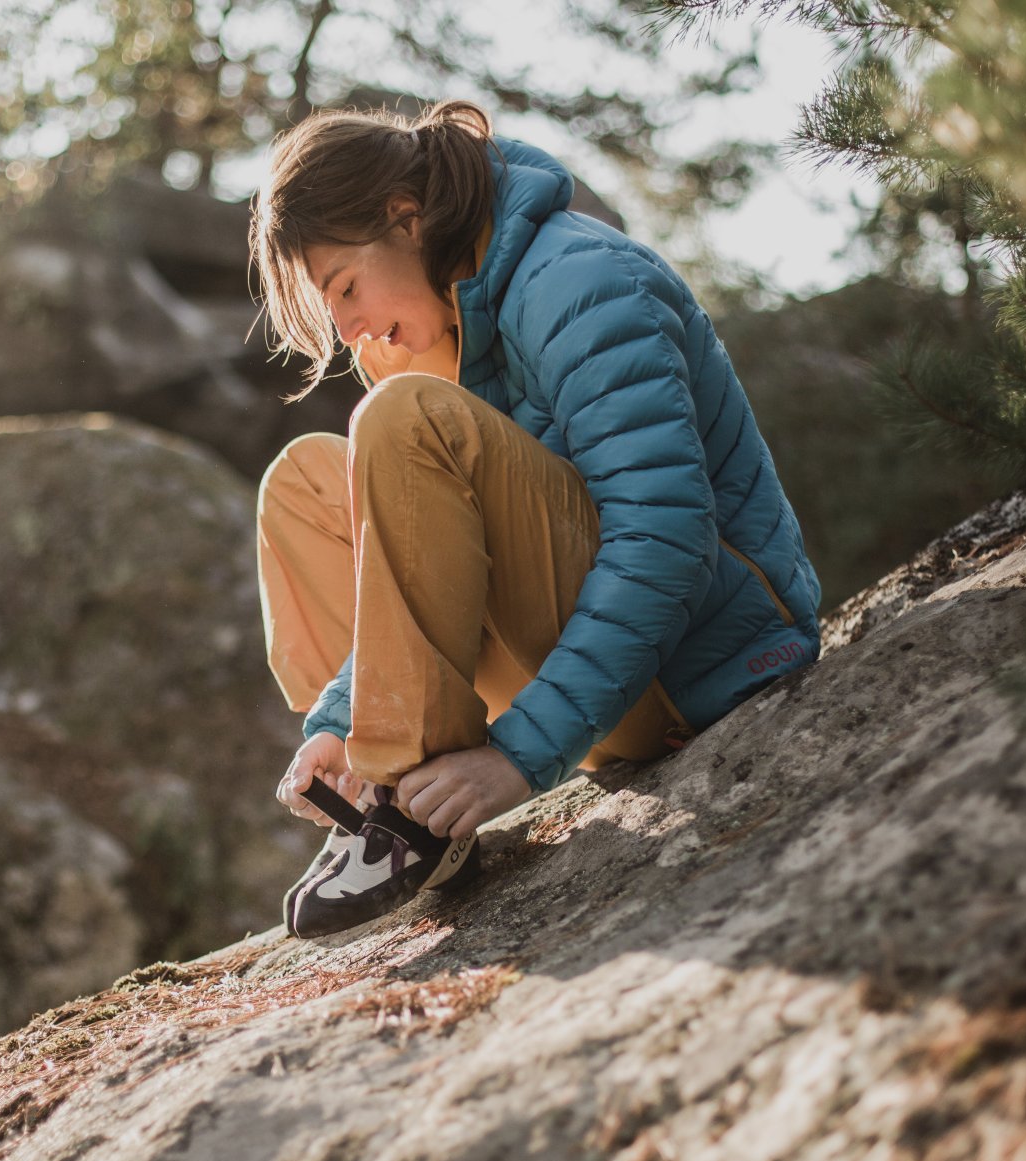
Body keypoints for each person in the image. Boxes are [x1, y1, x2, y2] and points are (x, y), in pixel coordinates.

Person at [250, 99, 822, 938]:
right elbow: (423, 569)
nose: (349, 329)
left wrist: (518, 758)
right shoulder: (439, 326)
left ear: (406, 219)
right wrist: (343, 721)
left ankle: (410, 805)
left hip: (696, 668)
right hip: (584, 669)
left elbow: (663, 539)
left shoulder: (580, 281)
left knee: (400, 421)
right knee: (304, 481)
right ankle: (399, 798)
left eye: (345, 289)